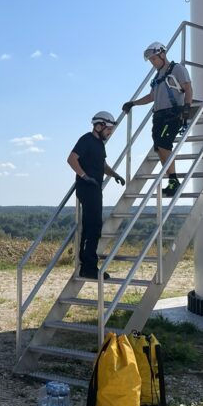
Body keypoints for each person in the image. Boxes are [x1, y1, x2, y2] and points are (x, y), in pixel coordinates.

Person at [122, 41, 193, 197]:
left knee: (163, 143)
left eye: (154, 59)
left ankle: (174, 180)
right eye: (151, 60)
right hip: (158, 115)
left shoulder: (177, 69)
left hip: (173, 114)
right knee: (159, 146)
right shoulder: (157, 76)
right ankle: (172, 180)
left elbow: (188, 88)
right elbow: (151, 97)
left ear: (162, 54)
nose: (153, 63)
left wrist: (187, 106)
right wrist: (133, 103)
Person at [66, 111, 126, 280]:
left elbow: (103, 164)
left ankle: (87, 265)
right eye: (108, 129)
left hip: (95, 188)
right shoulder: (86, 140)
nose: (110, 133)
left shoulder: (100, 143)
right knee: (93, 226)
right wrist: (85, 177)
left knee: (92, 226)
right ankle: (89, 268)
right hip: (87, 187)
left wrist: (115, 175)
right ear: (99, 126)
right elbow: (71, 159)